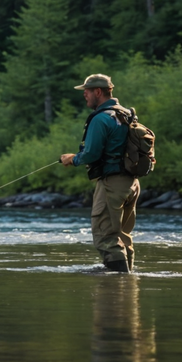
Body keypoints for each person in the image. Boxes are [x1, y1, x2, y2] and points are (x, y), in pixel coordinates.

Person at [60, 74, 139, 273]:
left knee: (105, 237)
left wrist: (72, 159)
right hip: (131, 183)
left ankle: (115, 290)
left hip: (112, 184)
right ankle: (128, 288)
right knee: (122, 236)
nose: (84, 94)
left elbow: (91, 154)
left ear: (98, 92)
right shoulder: (125, 114)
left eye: (86, 91)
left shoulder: (101, 118)